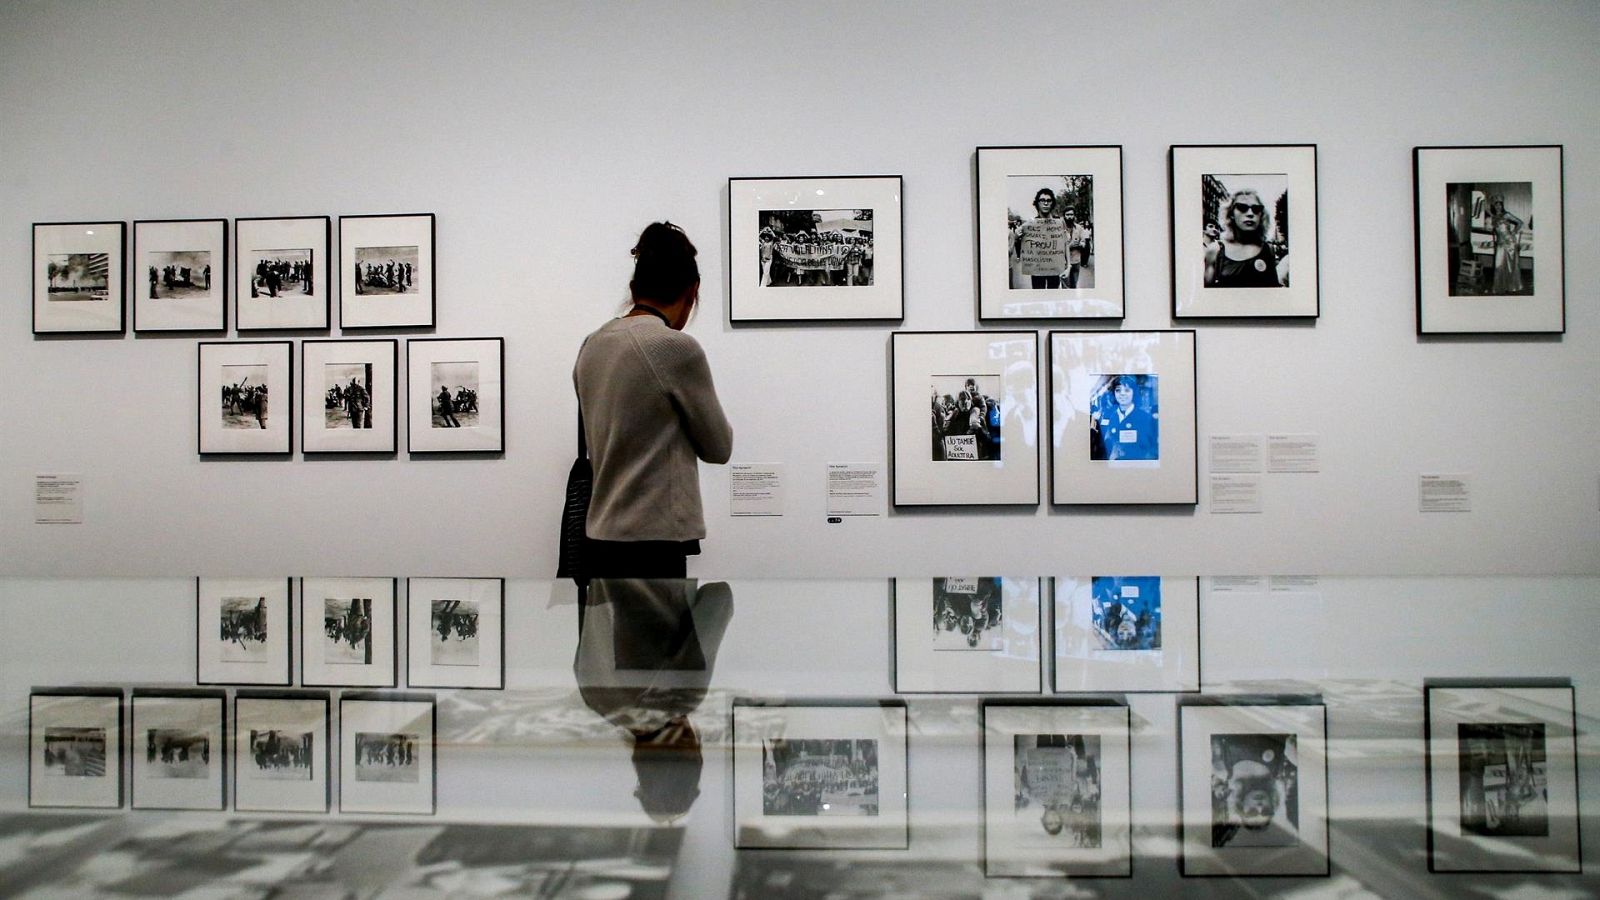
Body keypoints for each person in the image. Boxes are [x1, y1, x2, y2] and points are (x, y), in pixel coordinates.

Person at [574, 222, 732, 579]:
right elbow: (719, 447)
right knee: (663, 635)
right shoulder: (675, 348)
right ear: (692, 291)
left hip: (600, 535)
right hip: (654, 540)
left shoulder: (593, 344)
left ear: (634, 289)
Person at [1204, 189, 1284, 287]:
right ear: (1231, 214)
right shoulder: (1215, 250)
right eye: (1242, 208)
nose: (1250, 213)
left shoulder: (1268, 250)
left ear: (1261, 215)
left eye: (1256, 209)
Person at [1092, 376, 1157, 461]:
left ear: (1134, 393)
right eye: (1118, 390)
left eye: (1127, 390)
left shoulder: (1146, 418)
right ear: (1114, 394)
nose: (1122, 393)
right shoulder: (1113, 417)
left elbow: (1153, 451)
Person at [1015, 188, 1066, 289]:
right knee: (1038, 295)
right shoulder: (1030, 224)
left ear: (1052, 203)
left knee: (1053, 297)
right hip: (1037, 270)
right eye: (1042, 200)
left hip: (1054, 268)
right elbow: (1016, 238)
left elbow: (1066, 244)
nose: (1045, 203)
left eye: (1048, 200)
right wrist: (1016, 235)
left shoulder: (1059, 223)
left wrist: (1068, 266)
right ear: (1037, 203)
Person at [1488, 194, 1525, 293]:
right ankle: (1500, 287)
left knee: (1510, 266)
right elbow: (1496, 230)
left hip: (1509, 242)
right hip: (1500, 243)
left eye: (1500, 204)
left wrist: (1513, 232)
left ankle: (1512, 287)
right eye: (1496, 205)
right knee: (1499, 265)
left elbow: (1520, 222)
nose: (1498, 206)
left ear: (1502, 205)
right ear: (1493, 206)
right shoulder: (1494, 218)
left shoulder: (1506, 215)